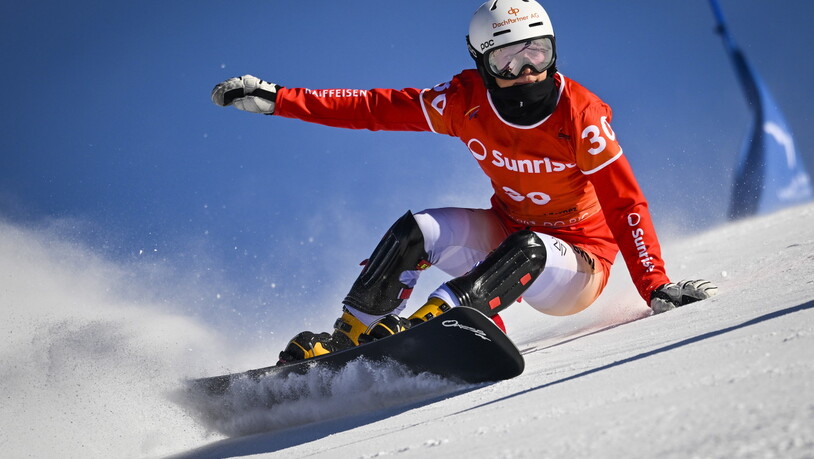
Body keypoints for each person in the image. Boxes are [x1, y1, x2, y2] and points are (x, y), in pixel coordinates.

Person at [211, 0, 718, 363]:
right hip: (507, 235)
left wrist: (655, 284)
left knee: (531, 244)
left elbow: (625, 201)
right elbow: (375, 108)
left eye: (537, 52)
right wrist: (281, 99)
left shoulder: (580, 116)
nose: (525, 70)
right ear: (482, 62)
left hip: (579, 266)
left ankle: (443, 319)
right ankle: (350, 337)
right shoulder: (463, 101)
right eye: (507, 59)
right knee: (418, 230)